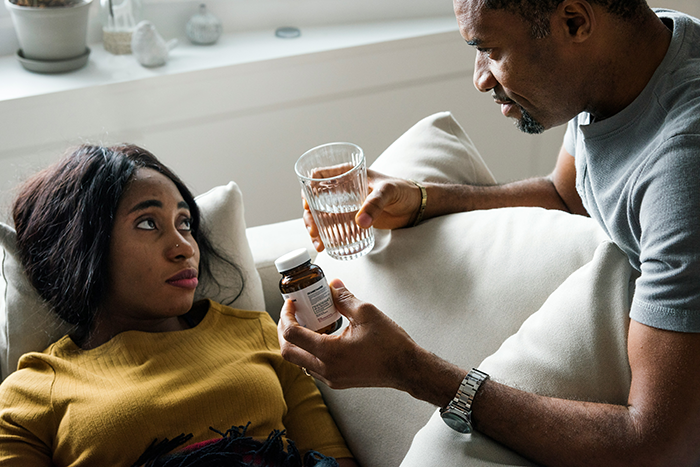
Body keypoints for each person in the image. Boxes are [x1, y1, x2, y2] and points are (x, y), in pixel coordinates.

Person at [278, 1, 700, 465]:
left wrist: (409, 370)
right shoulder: (632, 58)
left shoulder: (682, 170)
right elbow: (565, 194)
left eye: (491, 50)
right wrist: (421, 200)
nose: (480, 77)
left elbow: (660, 444)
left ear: (575, 22)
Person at [0, 144, 358, 467]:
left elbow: (333, 459)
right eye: (147, 223)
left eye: (184, 223)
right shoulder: (31, 393)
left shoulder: (263, 332)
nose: (184, 247)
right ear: (82, 247)